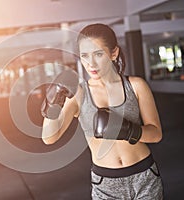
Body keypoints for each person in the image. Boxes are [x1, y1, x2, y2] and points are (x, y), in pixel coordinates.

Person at [41, 23, 164, 199]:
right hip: (106, 184)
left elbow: (156, 133)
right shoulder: (79, 94)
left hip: (144, 176)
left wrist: (126, 130)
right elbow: (49, 138)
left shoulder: (136, 86)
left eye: (98, 54)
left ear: (114, 53)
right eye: (84, 56)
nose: (91, 63)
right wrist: (53, 104)